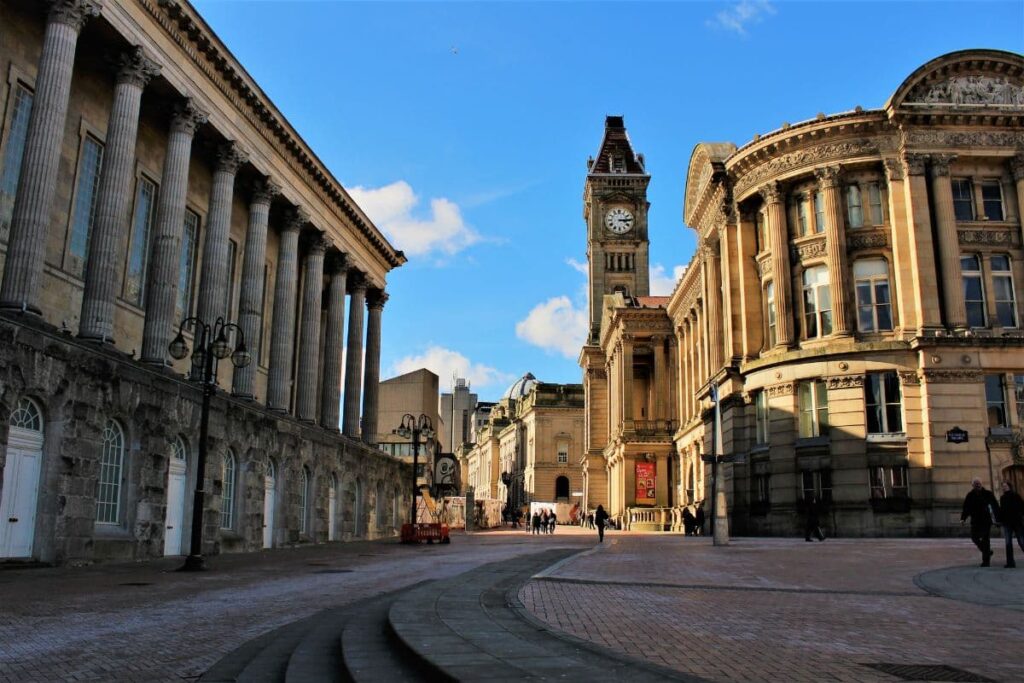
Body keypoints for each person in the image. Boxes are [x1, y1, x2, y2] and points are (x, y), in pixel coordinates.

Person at [961, 477, 1000, 567]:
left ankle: (986, 561)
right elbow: (966, 508)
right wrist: (963, 518)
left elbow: (995, 506)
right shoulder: (970, 495)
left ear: (981, 484)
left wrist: (997, 519)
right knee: (974, 538)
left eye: (978, 483)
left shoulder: (988, 494)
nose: (977, 485)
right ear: (973, 485)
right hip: (975, 520)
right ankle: (987, 551)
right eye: (975, 483)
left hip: (986, 520)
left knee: (986, 540)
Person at [998, 480, 1024, 569]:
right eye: (1003, 486)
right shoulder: (1002, 498)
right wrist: (1000, 521)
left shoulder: (1016, 496)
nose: (1004, 488)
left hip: (1017, 522)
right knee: (1008, 543)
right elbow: (1002, 511)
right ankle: (1010, 562)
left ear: (1009, 486)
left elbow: (1022, 507)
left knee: (1021, 541)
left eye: (1005, 486)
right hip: (1007, 523)